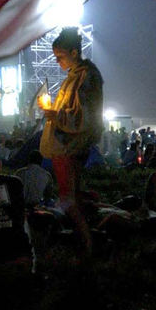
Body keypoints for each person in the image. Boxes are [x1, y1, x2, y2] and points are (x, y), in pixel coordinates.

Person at [39, 27, 104, 257]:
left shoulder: (85, 77)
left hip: (70, 146)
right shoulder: (77, 76)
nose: (57, 62)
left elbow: (82, 117)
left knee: (68, 198)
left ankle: (86, 247)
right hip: (67, 146)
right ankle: (86, 242)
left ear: (74, 53)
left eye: (60, 57)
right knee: (72, 196)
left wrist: (55, 116)